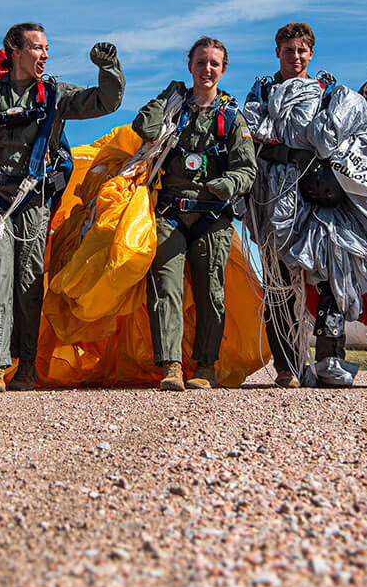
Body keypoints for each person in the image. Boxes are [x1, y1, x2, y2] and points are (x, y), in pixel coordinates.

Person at [0, 23, 124, 391]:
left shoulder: (56, 95)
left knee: (28, 283)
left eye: (46, 49)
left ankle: (26, 366)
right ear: (14, 50)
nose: (44, 55)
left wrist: (109, 67)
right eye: (37, 48)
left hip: (34, 204)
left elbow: (105, 101)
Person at [132, 37, 257, 391]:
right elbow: (146, 130)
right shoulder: (173, 107)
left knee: (211, 292)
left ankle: (205, 366)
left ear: (223, 69)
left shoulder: (232, 117)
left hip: (213, 215)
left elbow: (247, 170)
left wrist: (226, 184)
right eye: (201, 62)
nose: (207, 69)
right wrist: (164, 98)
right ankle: (171, 366)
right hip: (170, 211)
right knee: (165, 287)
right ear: (190, 66)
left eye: (214, 64)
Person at [246, 22, 341, 387]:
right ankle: (287, 366)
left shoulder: (325, 90)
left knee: (329, 277)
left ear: (311, 53)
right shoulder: (263, 91)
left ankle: (329, 360)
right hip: (274, 192)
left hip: (319, 194)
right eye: (289, 50)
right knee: (279, 279)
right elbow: (252, 132)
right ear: (278, 53)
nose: (296, 57)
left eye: (302, 51)